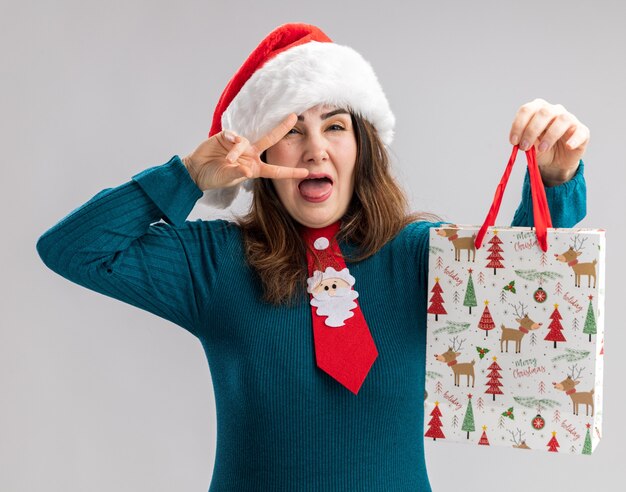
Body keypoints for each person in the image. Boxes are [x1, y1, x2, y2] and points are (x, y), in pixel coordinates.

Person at [36, 23, 588, 491]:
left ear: (362, 147)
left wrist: (553, 178)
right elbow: (71, 249)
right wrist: (186, 176)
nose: (315, 147)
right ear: (261, 154)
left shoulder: (419, 254)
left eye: (334, 126)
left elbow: (525, 285)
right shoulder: (215, 262)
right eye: (290, 130)